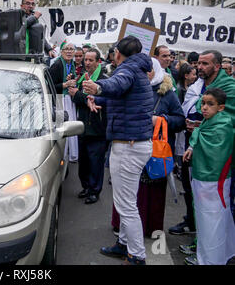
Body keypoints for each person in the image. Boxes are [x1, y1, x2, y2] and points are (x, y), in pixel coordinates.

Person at [83, 35, 154, 265]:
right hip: (132, 144)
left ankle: (136, 255)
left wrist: (98, 86)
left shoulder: (127, 70)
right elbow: (123, 97)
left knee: (126, 205)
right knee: (126, 200)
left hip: (129, 146)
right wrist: (98, 97)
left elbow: (116, 84)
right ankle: (123, 244)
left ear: (118, 54)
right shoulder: (138, 69)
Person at [111, 57, 185, 237]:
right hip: (129, 147)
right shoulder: (129, 87)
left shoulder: (167, 93)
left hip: (154, 152)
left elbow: (180, 120)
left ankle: (146, 230)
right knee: (127, 192)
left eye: (149, 70)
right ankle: (123, 230)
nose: (145, 73)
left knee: (150, 193)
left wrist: (161, 120)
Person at [175, 50, 235, 265]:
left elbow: (225, 124)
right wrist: (197, 134)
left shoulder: (228, 89)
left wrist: (200, 134)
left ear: (217, 66)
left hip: (215, 174)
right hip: (204, 175)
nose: (199, 67)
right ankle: (218, 252)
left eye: (205, 63)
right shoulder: (202, 87)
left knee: (215, 216)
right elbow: (204, 126)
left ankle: (212, 259)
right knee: (211, 216)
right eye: (198, 63)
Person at [69, 48, 108, 204]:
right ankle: (86, 187)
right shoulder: (81, 79)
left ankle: (94, 191)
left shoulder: (104, 80)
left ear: (98, 62)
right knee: (84, 162)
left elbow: (94, 99)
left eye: (91, 60)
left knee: (95, 163)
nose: (87, 63)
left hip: (97, 129)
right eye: (86, 60)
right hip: (83, 126)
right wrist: (79, 95)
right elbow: (75, 98)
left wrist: (79, 95)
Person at [49, 40, 78, 163]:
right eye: (66, 49)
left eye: (71, 49)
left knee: (71, 126)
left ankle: (70, 154)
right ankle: (60, 156)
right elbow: (49, 86)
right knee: (61, 129)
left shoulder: (72, 64)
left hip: (69, 99)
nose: (69, 51)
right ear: (61, 51)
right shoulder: (56, 65)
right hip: (59, 99)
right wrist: (65, 85)